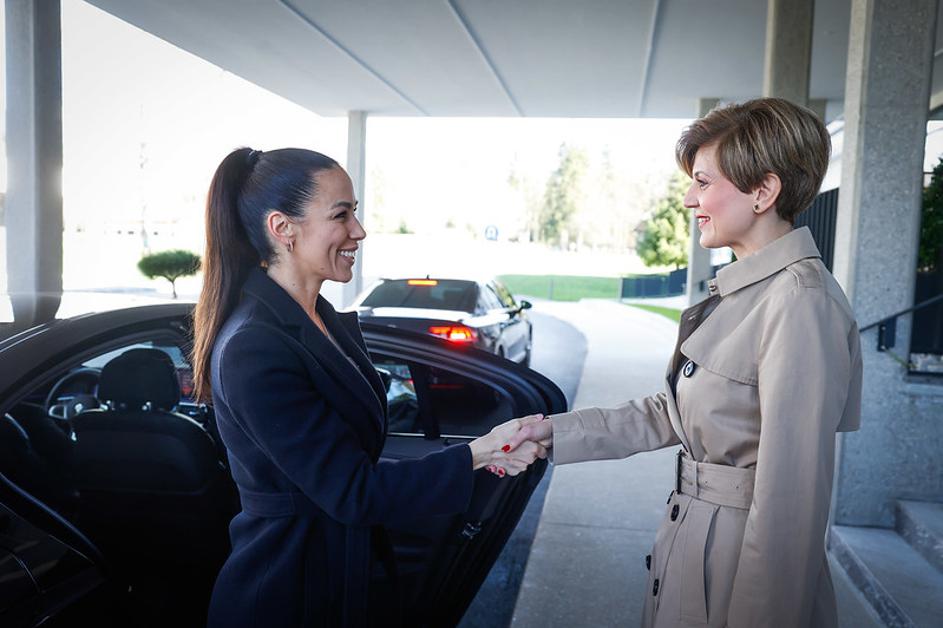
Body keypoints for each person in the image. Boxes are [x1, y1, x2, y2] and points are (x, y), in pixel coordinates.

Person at [505, 98, 863, 628]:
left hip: (737, 567)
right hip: (698, 545)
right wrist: (552, 432)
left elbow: (791, 508)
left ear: (763, 191)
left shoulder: (801, 303)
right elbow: (673, 412)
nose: (689, 198)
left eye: (703, 181)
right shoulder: (753, 291)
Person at [190, 147, 546, 627]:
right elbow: (354, 490)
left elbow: (352, 459)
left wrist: (482, 455)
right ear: (282, 227)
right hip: (290, 594)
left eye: (354, 213)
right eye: (341, 215)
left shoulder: (320, 320)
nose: (358, 230)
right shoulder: (254, 345)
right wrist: (478, 453)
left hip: (340, 575)